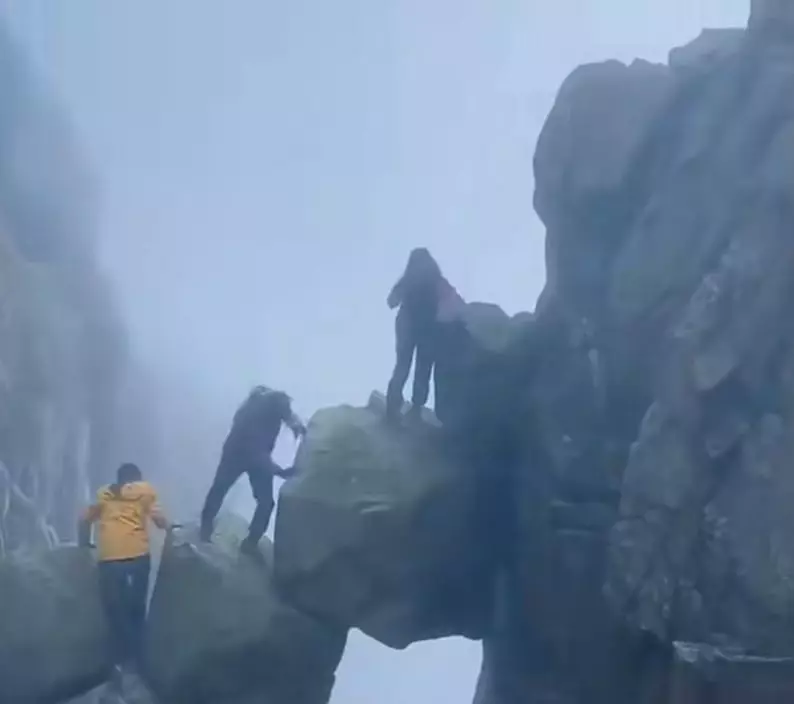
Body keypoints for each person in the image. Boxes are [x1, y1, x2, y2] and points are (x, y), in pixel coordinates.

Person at [79, 463, 169, 677]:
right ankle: (138, 661)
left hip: (109, 559)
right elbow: (159, 520)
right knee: (137, 608)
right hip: (138, 557)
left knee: (114, 611)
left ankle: (118, 661)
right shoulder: (145, 492)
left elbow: (84, 519)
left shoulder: (104, 495)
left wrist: (84, 544)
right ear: (137, 479)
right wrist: (172, 528)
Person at [199, 385, 306, 558]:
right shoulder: (254, 414)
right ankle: (206, 528)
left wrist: (301, 428)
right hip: (236, 454)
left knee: (264, 502)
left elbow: (290, 417)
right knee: (221, 489)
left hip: (255, 456)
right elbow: (256, 452)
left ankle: (250, 543)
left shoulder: (272, 406)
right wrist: (280, 471)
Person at [385, 248, 461, 422]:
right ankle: (415, 409)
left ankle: (393, 408)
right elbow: (454, 301)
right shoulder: (437, 281)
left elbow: (391, 301)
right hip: (428, 330)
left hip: (410, 328)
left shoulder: (408, 280)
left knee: (404, 366)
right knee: (422, 369)